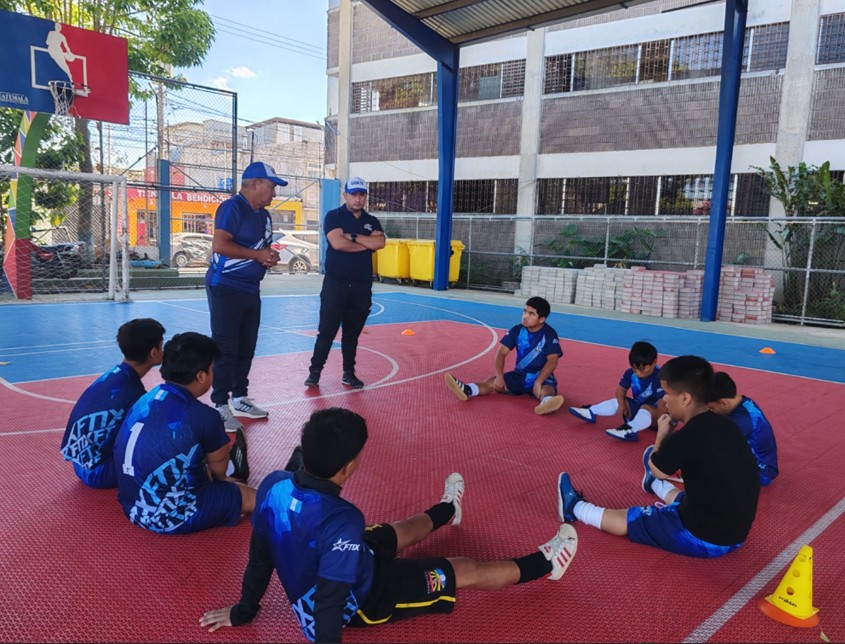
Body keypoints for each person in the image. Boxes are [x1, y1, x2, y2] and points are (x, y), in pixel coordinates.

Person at [199, 407, 578, 643]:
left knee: (400, 529)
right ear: (348, 467)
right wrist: (245, 611)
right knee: (463, 568)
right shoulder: (343, 519)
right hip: (364, 600)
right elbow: (329, 603)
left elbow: (260, 555)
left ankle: (448, 509)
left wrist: (244, 609)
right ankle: (547, 563)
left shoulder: (273, 485)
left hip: (339, 552)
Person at [556, 355, 760, 558]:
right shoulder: (724, 424)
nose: (663, 400)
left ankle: (575, 508)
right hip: (736, 532)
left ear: (685, 398)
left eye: (667, 394)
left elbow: (657, 468)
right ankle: (654, 485)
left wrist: (662, 434)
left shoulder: (689, 435)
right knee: (685, 499)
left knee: (635, 518)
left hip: (704, 538)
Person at [114, 332, 255, 535]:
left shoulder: (146, 398)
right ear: (201, 376)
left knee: (188, 452)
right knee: (252, 496)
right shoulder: (204, 416)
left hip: (133, 506)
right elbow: (219, 471)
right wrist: (225, 480)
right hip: (169, 517)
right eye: (212, 369)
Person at [206, 161, 285, 432]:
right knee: (225, 348)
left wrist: (269, 257)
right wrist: (257, 254)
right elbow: (220, 245)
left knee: (246, 347)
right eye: (271, 186)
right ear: (254, 184)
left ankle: (240, 397)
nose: (274, 192)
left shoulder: (264, 216)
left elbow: (262, 249)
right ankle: (220, 404)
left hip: (251, 288)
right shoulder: (232, 207)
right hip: (226, 287)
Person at [60, 318, 165, 489]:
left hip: (80, 464)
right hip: (99, 473)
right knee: (165, 445)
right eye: (162, 345)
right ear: (154, 352)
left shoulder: (112, 376)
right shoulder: (133, 393)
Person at [304, 177, 385, 389]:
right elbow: (338, 243)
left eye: (361, 195)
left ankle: (348, 373)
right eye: (353, 194)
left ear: (365, 196)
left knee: (352, 335)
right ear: (345, 195)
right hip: (336, 285)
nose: (357, 199)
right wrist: (367, 243)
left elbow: (380, 243)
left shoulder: (372, 221)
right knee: (326, 332)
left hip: (361, 286)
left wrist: (354, 237)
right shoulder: (334, 216)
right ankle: (314, 372)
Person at [444, 296, 565, 415]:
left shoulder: (549, 334)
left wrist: (538, 382)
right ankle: (468, 389)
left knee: (547, 389)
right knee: (492, 382)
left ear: (541, 319)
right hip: (520, 375)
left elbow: (552, 361)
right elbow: (501, 353)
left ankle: (546, 402)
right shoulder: (517, 330)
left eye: (531, 314)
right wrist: (500, 377)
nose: (525, 316)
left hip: (541, 376)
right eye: (525, 311)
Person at [568, 340, 666, 441]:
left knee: (646, 407)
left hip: (659, 418)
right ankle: (591, 411)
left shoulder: (660, 377)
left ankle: (631, 430)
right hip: (640, 411)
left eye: (642, 369)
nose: (638, 373)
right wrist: (621, 404)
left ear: (654, 362)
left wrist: (663, 427)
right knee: (621, 400)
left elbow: (662, 406)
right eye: (634, 369)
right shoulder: (630, 373)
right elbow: (620, 390)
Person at [708, 371, 779, 486]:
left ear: (724, 403)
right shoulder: (743, 403)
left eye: (711, 408)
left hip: (762, 473)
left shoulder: (741, 422)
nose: (711, 411)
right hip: (762, 463)